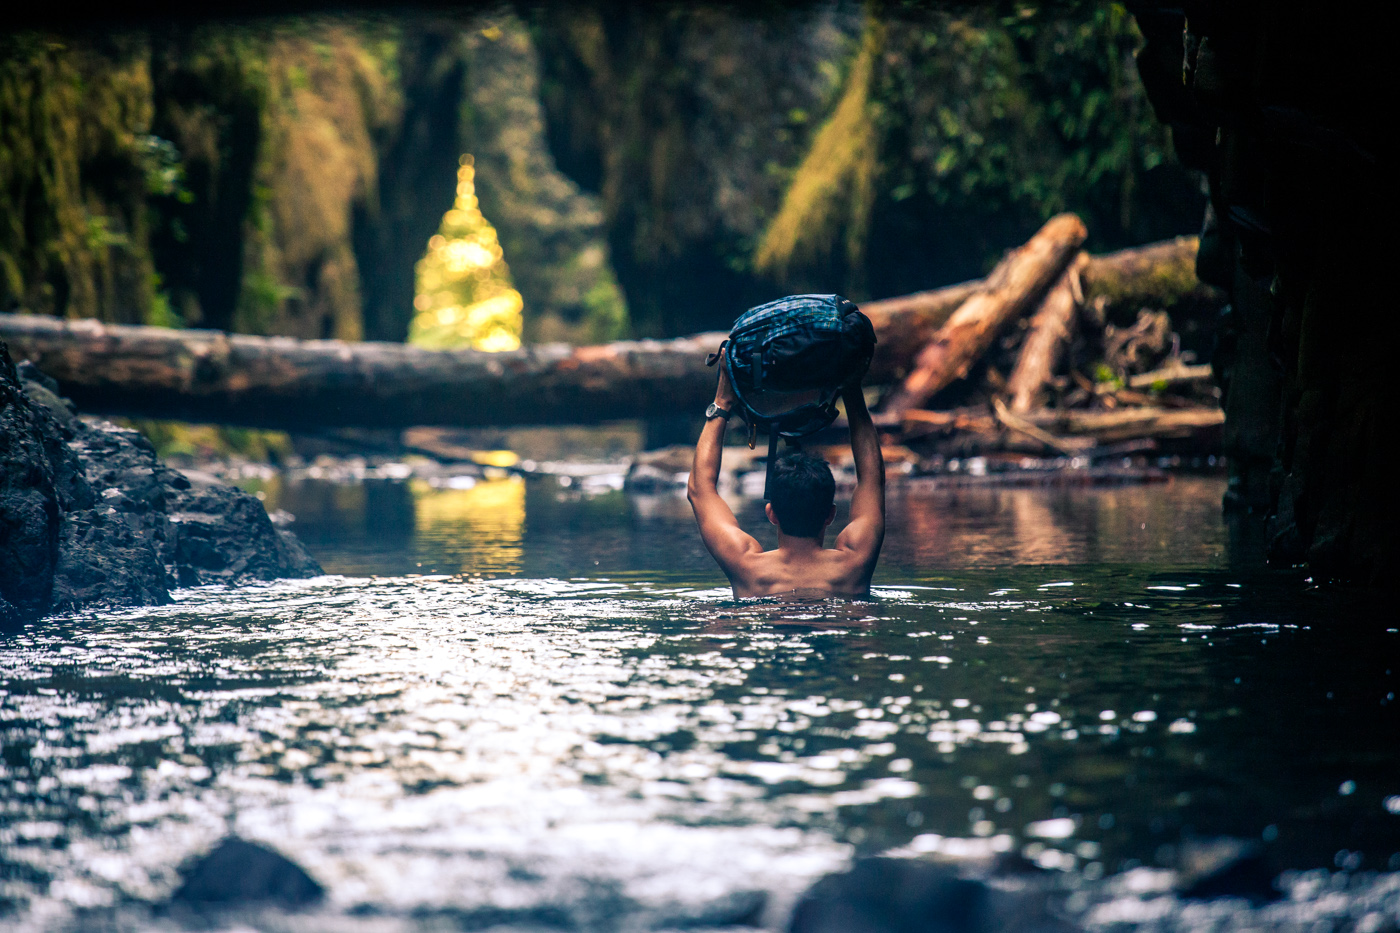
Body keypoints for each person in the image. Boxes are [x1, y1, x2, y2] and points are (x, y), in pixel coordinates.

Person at [688, 356, 885, 598]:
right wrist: (852, 389)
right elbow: (872, 479)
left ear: (771, 513)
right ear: (830, 515)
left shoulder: (748, 568)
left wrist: (722, 401)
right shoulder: (855, 564)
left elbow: (700, 490)